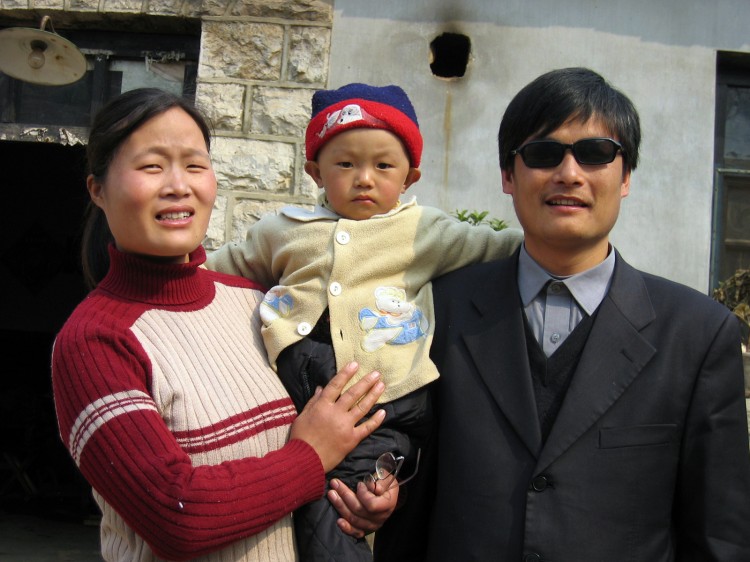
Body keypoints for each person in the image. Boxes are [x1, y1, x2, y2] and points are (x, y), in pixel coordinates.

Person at [375, 67, 750, 561]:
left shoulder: (698, 335)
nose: (569, 174)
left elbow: (720, 537)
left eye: (595, 153)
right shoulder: (440, 310)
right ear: (508, 176)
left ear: (627, 175)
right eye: (543, 154)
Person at [50, 87, 399, 562]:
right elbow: (179, 516)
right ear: (97, 189)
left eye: (195, 165)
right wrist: (311, 456)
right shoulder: (95, 342)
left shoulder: (256, 302)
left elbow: (325, 436)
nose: (179, 185)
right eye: (152, 166)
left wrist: (362, 492)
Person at [204, 82, 523, 560]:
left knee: (337, 512)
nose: (364, 179)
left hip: (384, 406)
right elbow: (218, 268)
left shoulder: (425, 231)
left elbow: (500, 247)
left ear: (410, 177)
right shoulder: (282, 230)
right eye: (345, 164)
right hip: (297, 396)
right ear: (315, 171)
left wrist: (561, 241)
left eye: (383, 166)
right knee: (277, 507)